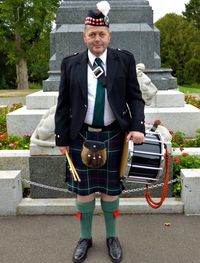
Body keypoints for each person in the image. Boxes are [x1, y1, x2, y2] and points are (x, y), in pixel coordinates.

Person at [55, 1, 145, 262]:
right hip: (81, 135)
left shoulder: (124, 59)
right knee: (83, 193)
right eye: (92, 34)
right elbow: (62, 104)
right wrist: (61, 138)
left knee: (110, 191)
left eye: (101, 34)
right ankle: (85, 237)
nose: (97, 39)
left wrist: (137, 127)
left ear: (109, 35)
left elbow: (135, 98)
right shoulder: (70, 64)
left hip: (114, 134)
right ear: (84, 36)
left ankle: (112, 236)